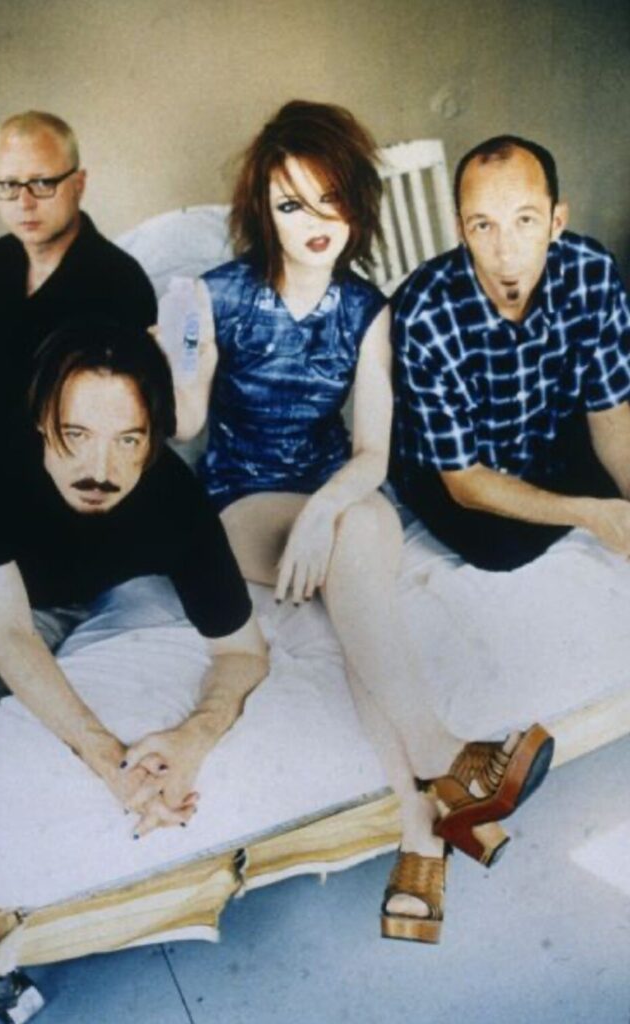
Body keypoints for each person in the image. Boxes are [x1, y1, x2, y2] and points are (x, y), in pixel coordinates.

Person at [168, 101, 552, 943]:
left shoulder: (366, 308)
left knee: (359, 574)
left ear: (358, 202)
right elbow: (187, 428)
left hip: (332, 493)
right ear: (261, 211)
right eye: (289, 203)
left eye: (330, 198)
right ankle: (444, 755)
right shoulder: (218, 295)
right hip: (238, 505)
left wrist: (324, 514)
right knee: (361, 563)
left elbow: (372, 453)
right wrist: (183, 359)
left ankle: (425, 826)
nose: (314, 222)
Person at [0, 320, 269, 891]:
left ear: (156, 436)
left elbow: (244, 650)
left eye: (128, 440)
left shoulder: (172, 497)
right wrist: (112, 761)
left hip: (29, 592)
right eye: (76, 434)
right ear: (41, 421)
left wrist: (195, 737)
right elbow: (9, 634)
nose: (100, 469)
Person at [391, 134, 630, 571]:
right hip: (461, 468)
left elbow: (611, 416)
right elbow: (463, 481)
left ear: (557, 220)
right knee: (501, 549)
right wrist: (590, 513)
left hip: (547, 436)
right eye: (484, 225)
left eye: (525, 220)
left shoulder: (591, 271)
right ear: (460, 228)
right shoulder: (424, 312)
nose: (506, 251)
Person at [0, 110, 156, 423]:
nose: (24, 203)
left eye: (42, 183)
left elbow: (121, 419)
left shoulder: (121, 281)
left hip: (66, 452)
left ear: (79, 184)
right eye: (9, 185)